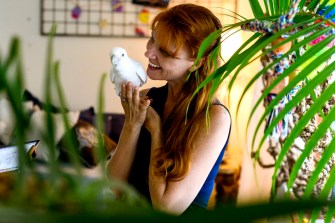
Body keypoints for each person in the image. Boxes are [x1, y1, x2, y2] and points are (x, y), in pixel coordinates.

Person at [107, 3, 231, 216]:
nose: (148, 53)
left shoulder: (214, 117)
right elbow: (115, 185)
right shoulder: (149, 98)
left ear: (196, 63)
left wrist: (156, 131)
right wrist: (132, 124)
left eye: (164, 51)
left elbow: (167, 208)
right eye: (152, 39)